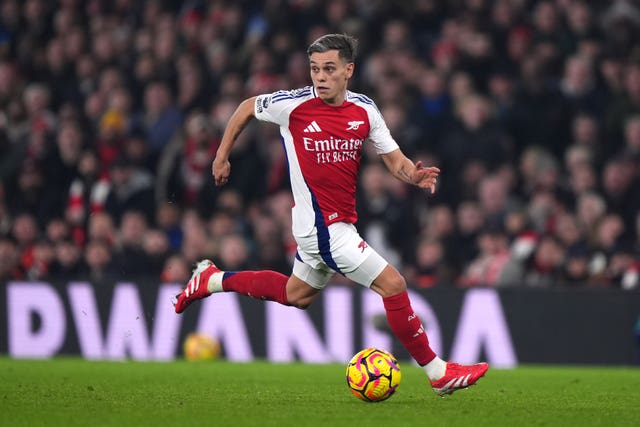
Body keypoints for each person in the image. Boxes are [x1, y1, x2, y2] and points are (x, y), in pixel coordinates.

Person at [174, 34, 488, 397]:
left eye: (328, 69)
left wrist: (413, 176)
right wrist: (221, 156)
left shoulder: (365, 110)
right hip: (323, 228)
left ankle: (212, 279)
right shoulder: (293, 105)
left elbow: (395, 160)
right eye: (314, 69)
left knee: (297, 294)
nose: (319, 77)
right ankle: (438, 373)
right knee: (394, 285)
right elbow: (246, 107)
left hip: (336, 225)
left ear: (348, 70)